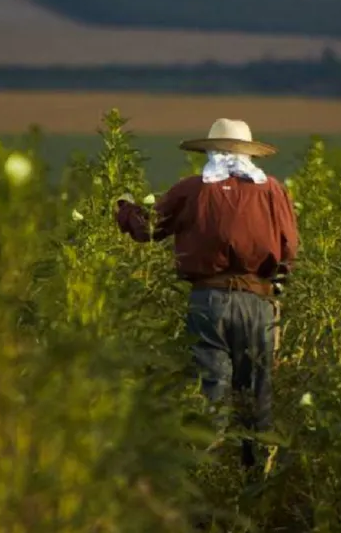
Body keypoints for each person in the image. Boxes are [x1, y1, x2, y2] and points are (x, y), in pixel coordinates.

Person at [115, 118, 299, 471]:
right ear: (249, 153)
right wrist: (277, 280)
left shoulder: (193, 189)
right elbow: (289, 248)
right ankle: (257, 478)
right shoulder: (272, 190)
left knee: (212, 390)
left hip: (208, 300)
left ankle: (206, 479)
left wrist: (124, 207)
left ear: (212, 151)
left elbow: (147, 228)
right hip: (257, 300)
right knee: (256, 391)